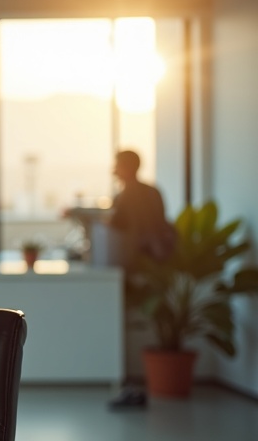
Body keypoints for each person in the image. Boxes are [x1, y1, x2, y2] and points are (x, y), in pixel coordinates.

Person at [107, 150, 173, 410]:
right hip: (155, 266)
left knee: (128, 324)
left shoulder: (126, 196)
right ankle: (137, 385)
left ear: (125, 167)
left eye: (116, 165)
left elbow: (117, 230)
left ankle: (130, 386)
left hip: (133, 266)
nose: (113, 169)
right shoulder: (152, 192)